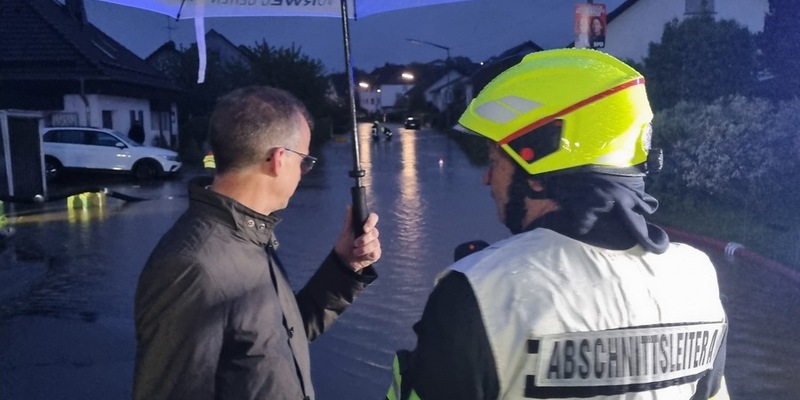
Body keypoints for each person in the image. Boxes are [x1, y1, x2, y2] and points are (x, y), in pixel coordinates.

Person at [385, 49, 729, 400]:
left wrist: (464, 303)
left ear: (536, 175)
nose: (487, 179)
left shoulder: (479, 292)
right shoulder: (696, 277)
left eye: (495, 162)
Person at [133, 86, 382, 400]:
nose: (304, 172)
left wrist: (345, 266)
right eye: (305, 161)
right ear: (279, 159)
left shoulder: (248, 237)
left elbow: (278, 340)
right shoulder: (191, 267)